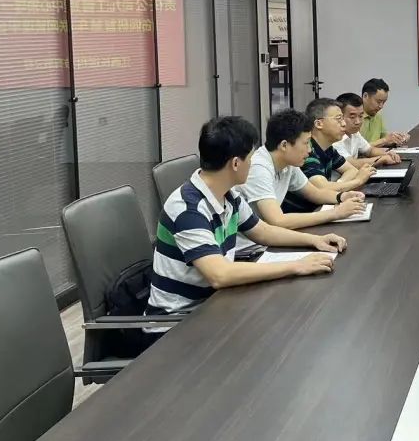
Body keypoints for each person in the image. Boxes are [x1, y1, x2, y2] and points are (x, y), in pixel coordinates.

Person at [145, 116, 348, 333]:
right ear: (235, 163)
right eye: (250, 158)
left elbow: (263, 232)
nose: (253, 163)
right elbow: (220, 275)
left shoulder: (228, 196)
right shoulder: (187, 208)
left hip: (215, 305)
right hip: (175, 325)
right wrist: (296, 265)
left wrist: (315, 240)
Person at [237, 109, 367, 242]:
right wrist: (336, 213)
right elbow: (278, 220)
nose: (310, 150)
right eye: (306, 143)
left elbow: (315, 193)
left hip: (269, 241)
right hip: (252, 248)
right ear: (284, 145)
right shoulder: (259, 168)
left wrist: (342, 196)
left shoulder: (288, 163)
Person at [282, 98, 376, 214]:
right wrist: (358, 181)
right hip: (301, 215)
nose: (344, 124)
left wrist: (338, 185)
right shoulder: (306, 151)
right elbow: (322, 188)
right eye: (338, 119)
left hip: (318, 209)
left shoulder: (328, 148)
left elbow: (351, 170)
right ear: (319, 124)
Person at [335, 92, 401, 167]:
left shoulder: (355, 133)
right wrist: (381, 159)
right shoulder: (334, 138)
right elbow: (351, 163)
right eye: (352, 117)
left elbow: (369, 150)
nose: (358, 122)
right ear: (340, 117)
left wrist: (386, 154)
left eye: (361, 116)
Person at [360, 78, 410, 148]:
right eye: (378, 101)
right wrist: (385, 140)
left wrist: (397, 139)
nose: (381, 106)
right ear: (365, 96)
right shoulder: (354, 118)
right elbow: (358, 149)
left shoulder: (378, 116)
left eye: (384, 102)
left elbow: (384, 142)